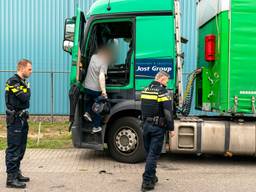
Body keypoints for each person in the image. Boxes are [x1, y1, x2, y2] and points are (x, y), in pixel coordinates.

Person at [140, 70, 175, 191]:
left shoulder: (145, 90)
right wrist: (171, 128)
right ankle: (147, 182)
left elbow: (142, 108)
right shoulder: (162, 91)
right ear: (162, 79)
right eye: (166, 81)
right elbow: (168, 112)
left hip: (145, 126)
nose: (167, 83)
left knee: (150, 153)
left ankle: (152, 176)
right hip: (157, 128)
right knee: (153, 155)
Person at [5, 59, 32, 189]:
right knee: (14, 148)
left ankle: (16, 173)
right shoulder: (12, 81)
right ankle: (10, 179)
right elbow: (24, 97)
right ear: (22, 68)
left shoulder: (22, 82)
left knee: (21, 147)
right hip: (15, 120)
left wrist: (26, 89)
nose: (31, 71)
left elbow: (26, 99)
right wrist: (27, 90)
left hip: (22, 119)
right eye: (29, 69)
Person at [83, 46, 112, 133]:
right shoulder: (104, 61)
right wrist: (104, 92)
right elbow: (101, 76)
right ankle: (96, 127)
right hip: (96, 89)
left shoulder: (93, 57)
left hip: (87, 87)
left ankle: (87, 112)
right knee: (98, 107)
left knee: (90, 101)